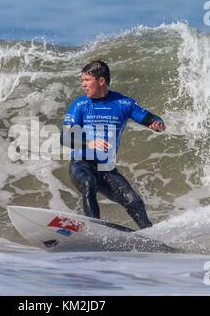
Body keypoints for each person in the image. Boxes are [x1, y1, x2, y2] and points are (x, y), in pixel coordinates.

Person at [60, 60, 165, 229]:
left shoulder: (124, 103)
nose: (83, 85)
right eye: (83, 81)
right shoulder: (80, 105)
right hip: (81, 164)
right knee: (88, 183)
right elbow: (65, 138)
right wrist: (90, 143)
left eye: (87, 80)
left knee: (133, 201)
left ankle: (150, 234)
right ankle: (94, 230)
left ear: (101, 81)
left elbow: (149, 118)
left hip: (106, 168)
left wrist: (156, 123)